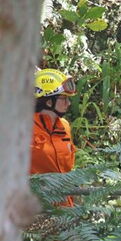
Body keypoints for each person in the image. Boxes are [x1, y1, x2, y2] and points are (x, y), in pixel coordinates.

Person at [32, 68, 77, 206]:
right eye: (63, 98)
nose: (68, 103)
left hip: (65, 208)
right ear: (48, 101)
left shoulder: (65, 126)